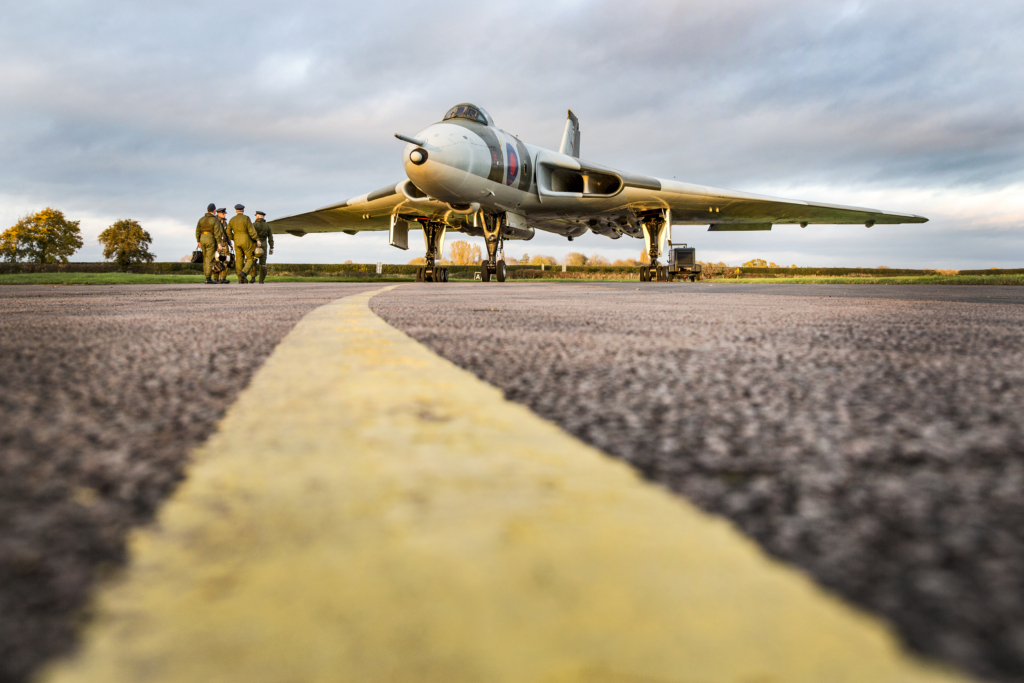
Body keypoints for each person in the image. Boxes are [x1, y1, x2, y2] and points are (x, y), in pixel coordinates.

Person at [226, 204, 259, 284]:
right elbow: (251, 230)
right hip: (246, 240)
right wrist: (257, 239)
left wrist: (234, 238)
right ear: (243, 210)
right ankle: (244, 272)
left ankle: (240, 279)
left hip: (237, 240)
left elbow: (228, 231)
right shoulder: (246, 218)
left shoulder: (232, 219)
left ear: (236, 211)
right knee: (250, 258)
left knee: (239, 260)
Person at [195, 203, 224, 284]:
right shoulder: (215, 220)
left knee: (205, 259)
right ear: (214, 211)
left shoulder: (201, 219)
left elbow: (197, 231)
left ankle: (206, 276)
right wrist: (219, 243)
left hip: (202, 239)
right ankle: (208, 278)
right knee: (209, 259)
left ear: (207, 210)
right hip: (210, 239)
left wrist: (198, 241)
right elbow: (217, 233)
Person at [252, 211, 274, 284]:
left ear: (257, 216)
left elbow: (250, 235)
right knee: (263, 263)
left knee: (253, 261)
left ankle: (253, 277)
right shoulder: (267, 226)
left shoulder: (254, 225)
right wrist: (271, 247)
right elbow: (270, 237)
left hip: (255, 244)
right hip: (264, 244)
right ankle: (261, 279)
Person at [215, 208, 232, 283]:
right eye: (223, 213)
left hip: (225, 243)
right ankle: (215, 278)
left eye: (224, 213)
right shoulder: (214, 221)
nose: (224, 215)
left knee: (226, 260)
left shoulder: (225, 222)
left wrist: (230, 243)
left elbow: (227, 233)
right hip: (216, 243)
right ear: (218, 213)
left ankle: (223, 278)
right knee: (216, 260)